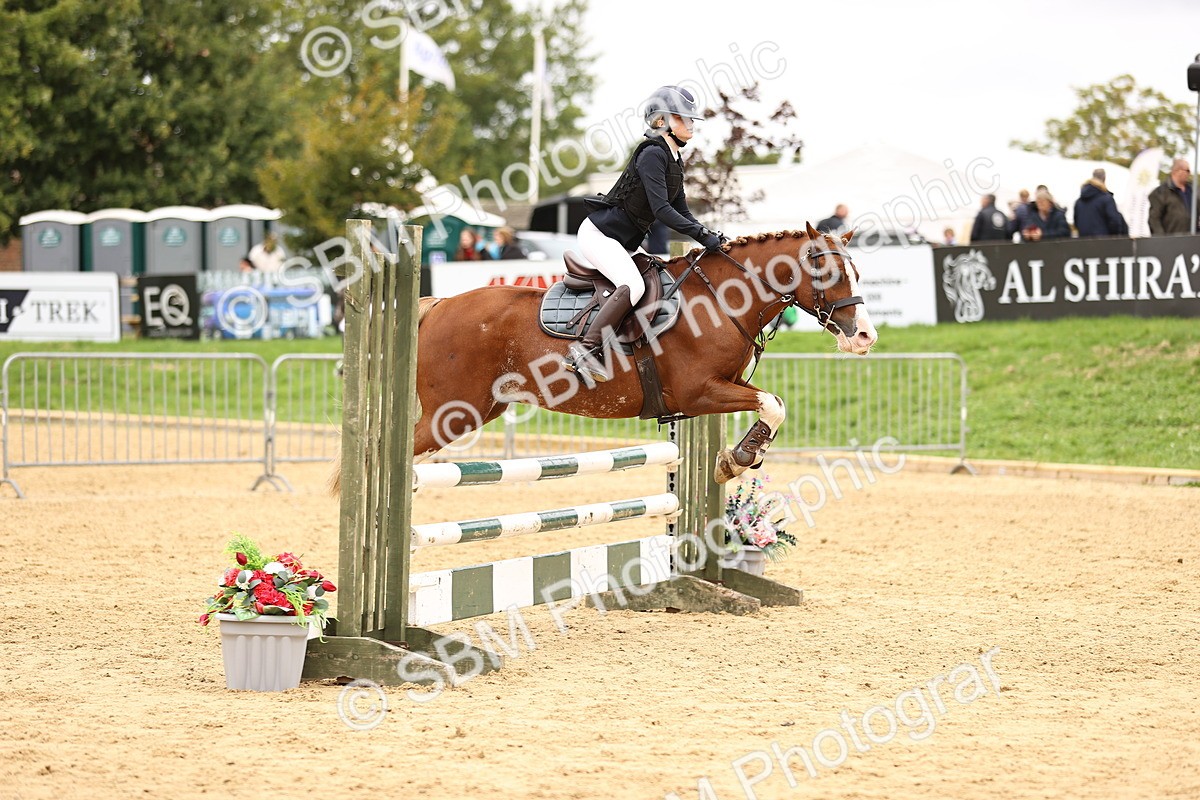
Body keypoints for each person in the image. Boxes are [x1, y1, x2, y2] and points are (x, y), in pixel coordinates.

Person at [567, 84, 723, 384]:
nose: (691, 123)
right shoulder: (653, 154)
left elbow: (682, 211)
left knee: (659, 279)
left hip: (623, 241)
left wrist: (709, 233)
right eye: (683, 117)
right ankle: (584, 349)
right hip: (600, 235)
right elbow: (662, 210)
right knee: (633, 286)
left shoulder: (674, 160)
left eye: (691, 118)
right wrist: (703, 236)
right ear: (661, 121)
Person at [1073, 169, 1128, 238]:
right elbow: (1114, 222)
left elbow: (1076, 223)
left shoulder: (1079, 202)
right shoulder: (1106, 198)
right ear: (1104, 178)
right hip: (1104, 241)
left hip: (1084, 241)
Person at [1147, 158, 1196, 235]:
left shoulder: (1194, 190)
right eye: (1187, 170)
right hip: (1172, 239)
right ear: (1177, 171)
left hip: (1193, 239)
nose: (1189, 174)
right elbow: (1154, 219)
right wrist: (1162, 239)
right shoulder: (1160, 192)